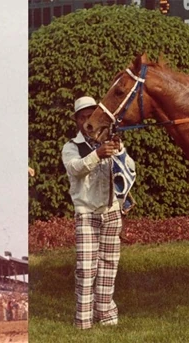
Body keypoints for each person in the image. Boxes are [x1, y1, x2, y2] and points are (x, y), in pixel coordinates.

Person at [61, 96, 135, 329]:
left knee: (109, 264)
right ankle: (83, 320)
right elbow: (75, 169)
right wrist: (98, 154)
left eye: (90, 115)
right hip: (86, 212)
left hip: (112, 210)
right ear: (76, 120)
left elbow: (131, 170)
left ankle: (106, 314)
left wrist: (120, 153)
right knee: (86, 267)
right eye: (82, 117)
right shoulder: (71, 147)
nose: (86, 120)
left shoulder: (111, 141)